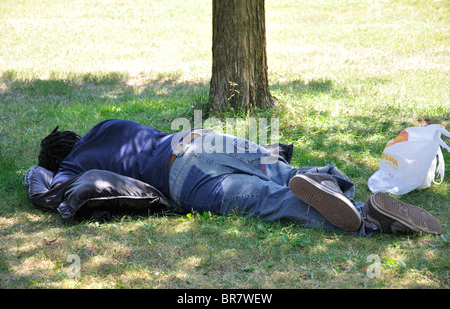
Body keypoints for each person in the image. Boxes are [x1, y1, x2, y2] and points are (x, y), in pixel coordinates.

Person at [38, 119, 442, 236]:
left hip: (183, 178)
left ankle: (365, 221)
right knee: (283, 171)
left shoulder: (73, 166)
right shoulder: (109, 125)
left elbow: (51, 189)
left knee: (266, 200)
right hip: (201, 139)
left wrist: (40, 174)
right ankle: (343, 189)